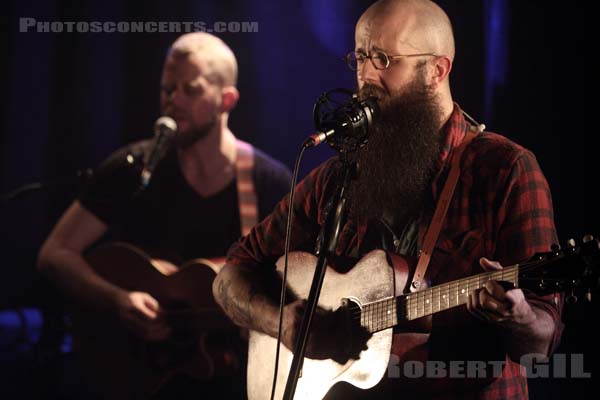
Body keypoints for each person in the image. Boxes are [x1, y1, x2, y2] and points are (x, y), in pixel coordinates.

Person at [212, 0, 564, 399]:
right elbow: (231, 275)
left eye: (382, 58)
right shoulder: (338, 177)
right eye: (360, 57)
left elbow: (541, 341)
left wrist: (518, 317)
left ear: (437, 70)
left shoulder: (504, 170)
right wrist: (282, 323)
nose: (366, 76)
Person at [37, 32, 291, 399]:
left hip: (232, 382)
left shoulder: (269, 183)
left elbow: (296, 283)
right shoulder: (134, 167)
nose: (173, 100)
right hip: (141, 379)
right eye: (167, 89)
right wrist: (117, 300)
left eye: (190, 89)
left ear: (227, 99)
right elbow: (54, 254)